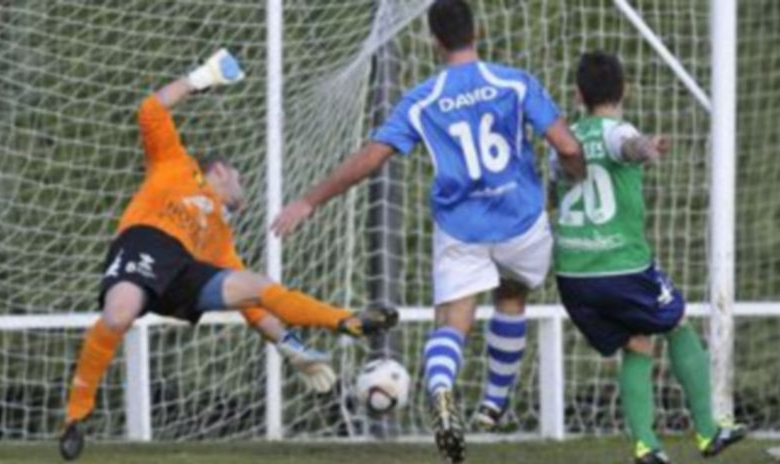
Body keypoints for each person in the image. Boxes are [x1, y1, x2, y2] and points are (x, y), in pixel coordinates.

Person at [271, 1, 585, 461]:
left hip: (461, 229)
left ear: (434, 41)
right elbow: (566, 145)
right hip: (519, 220)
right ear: (475, 31)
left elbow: (372, 158)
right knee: (512, 297)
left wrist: (309, 200)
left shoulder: (422, 98)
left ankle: (441, 389)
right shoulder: (514, 82)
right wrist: (576, 173)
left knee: (453, 321)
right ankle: (493, 403)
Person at [59, 49, 397, 461]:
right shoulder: (175, 165)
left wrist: (289, 346)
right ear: (218, 171)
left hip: (184, 269)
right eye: (238, 177)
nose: (243, 186)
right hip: (148, 243)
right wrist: (201, 77)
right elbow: (150, 109)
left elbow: (254, 308)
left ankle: (344, 320)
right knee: (118, 314)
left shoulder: (219, 236)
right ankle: (76, 415)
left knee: (256, 286)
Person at [551, 50, 746, 464]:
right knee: (677, 323)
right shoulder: (615, 129)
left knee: (637, 342)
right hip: (620, 266)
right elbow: (624, 145)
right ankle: (709, 433)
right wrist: (647, 145)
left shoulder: (563, 139)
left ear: (577, 93)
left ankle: (646, 447)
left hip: (572, 274)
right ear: (626, 90)